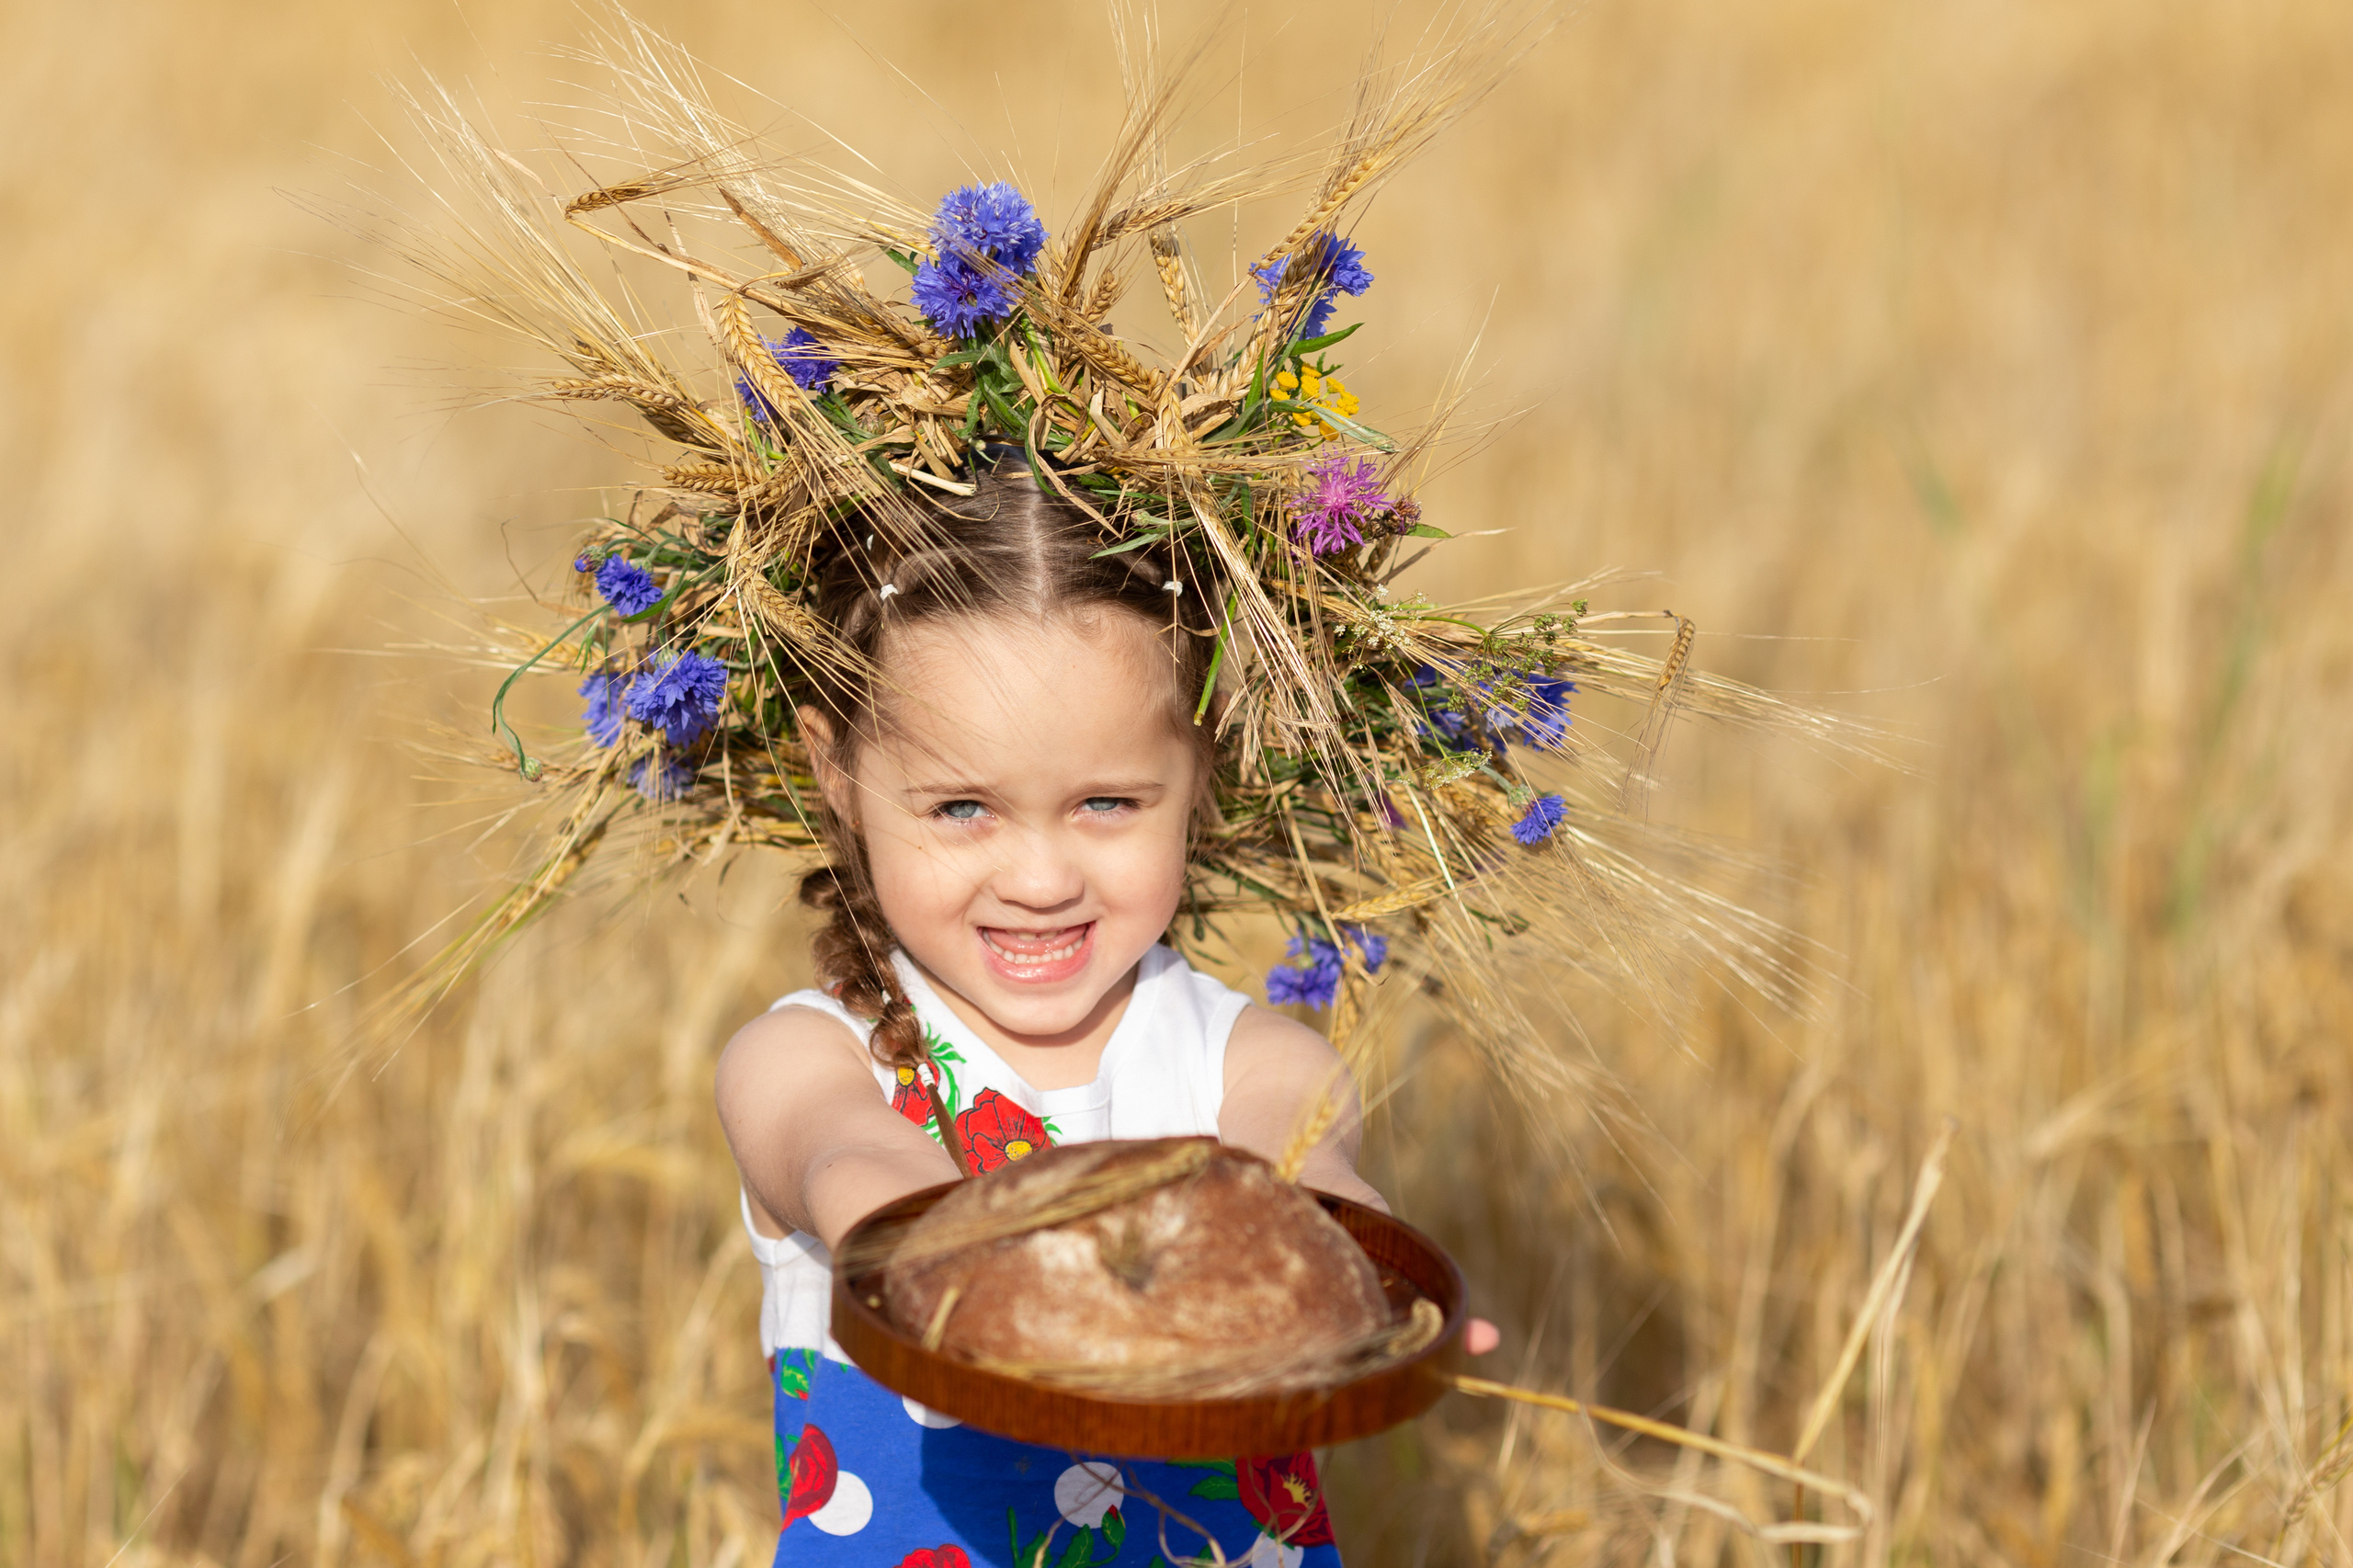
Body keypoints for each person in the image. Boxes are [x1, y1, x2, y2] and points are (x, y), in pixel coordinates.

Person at [716, 468, 1483, 1564]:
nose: (1039, 877)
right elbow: (850, 1165)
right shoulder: (806, 1059)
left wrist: (1370, 1286)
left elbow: (1310, 1190)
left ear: (1200, 769)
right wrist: (978, 1259)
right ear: (833, 771)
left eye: (1106, 803)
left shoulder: (1250, 1062)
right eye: (963, 808)